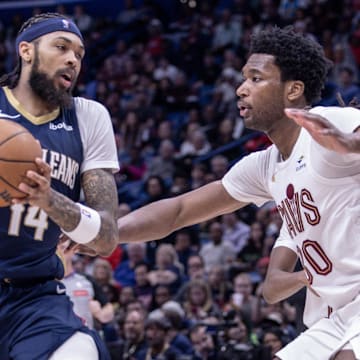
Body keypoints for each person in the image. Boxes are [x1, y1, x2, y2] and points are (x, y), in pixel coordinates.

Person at [113, 26, 360, 359]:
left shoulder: (329, 124)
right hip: (333, 316)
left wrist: (349, 143)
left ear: (293, 90)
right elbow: (180, 210)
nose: (241, 89)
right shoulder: (263, 165)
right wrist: (109, 232)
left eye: (256, 79)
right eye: (244, 78)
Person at [0, 12, 119, 360]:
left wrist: (48, 199)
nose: (73, 59)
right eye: (61, 47)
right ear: (26, 51)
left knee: (80, 351)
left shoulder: (89, 117)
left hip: (35, 299)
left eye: (79, 54)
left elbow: (106, 236)